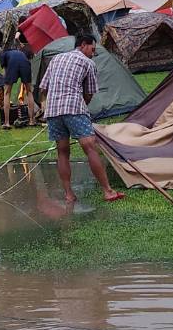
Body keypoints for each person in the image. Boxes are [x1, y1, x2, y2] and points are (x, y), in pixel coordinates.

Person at [42, 33, 125, 204]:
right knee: (90, 148)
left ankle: (68, 194)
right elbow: (89, 93)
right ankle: (108, 191)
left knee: (62, 152)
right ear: (84, 45)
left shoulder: (56, 59)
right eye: (92, 49)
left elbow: (44, 87)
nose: (93, 54)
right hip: (74, 108)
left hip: (52, 110)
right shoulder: (88, 63)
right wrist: (83, 107)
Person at [0, 34, 41, 129]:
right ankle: (31, 120)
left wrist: (5, 83)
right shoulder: (20, 52)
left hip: (13, 64)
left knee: (7, 93)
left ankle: (6, 123)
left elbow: (4, 73)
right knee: (29, 91)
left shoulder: (3, 54)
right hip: (24, 62)